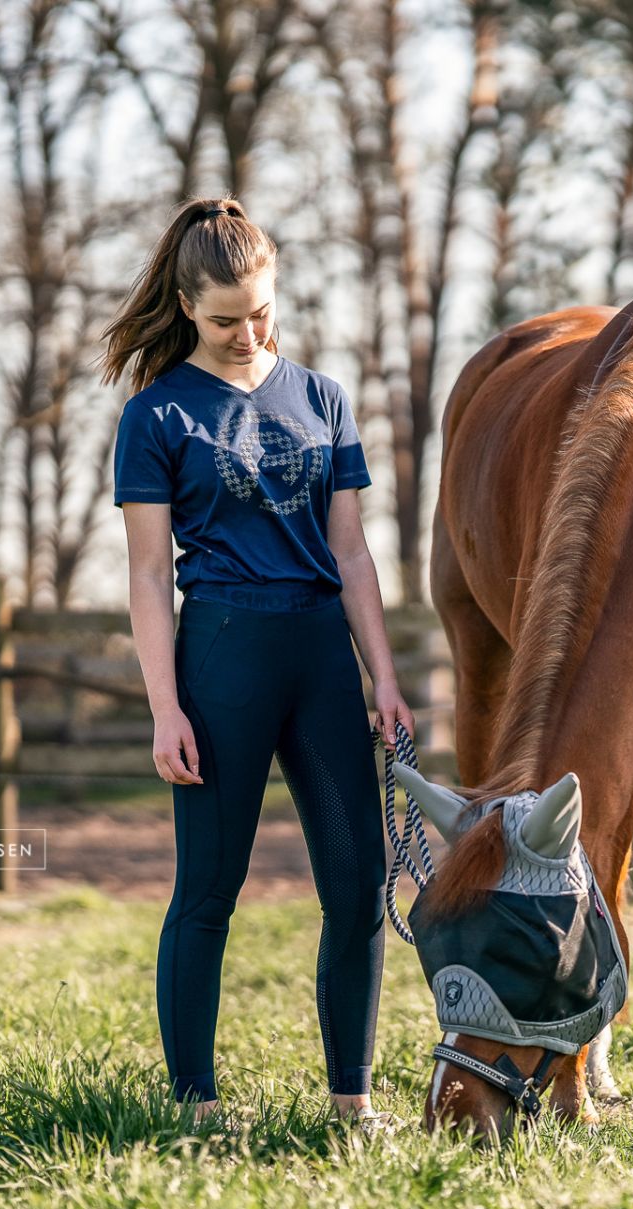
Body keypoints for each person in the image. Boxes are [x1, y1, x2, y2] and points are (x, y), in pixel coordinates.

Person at [97, 195, 414, 1130]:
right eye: (227, 316)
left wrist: (383, 678)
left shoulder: (323, 398)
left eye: (261, 311)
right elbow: (151, 577)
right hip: (222, 656)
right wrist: (165, 706)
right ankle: (195, 1107)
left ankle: (350, 1104)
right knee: (208, 892)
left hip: (321, 655)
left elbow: (352, 553)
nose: (247, 332)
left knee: (358, 889)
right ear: (189, 305)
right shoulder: (154, 416)